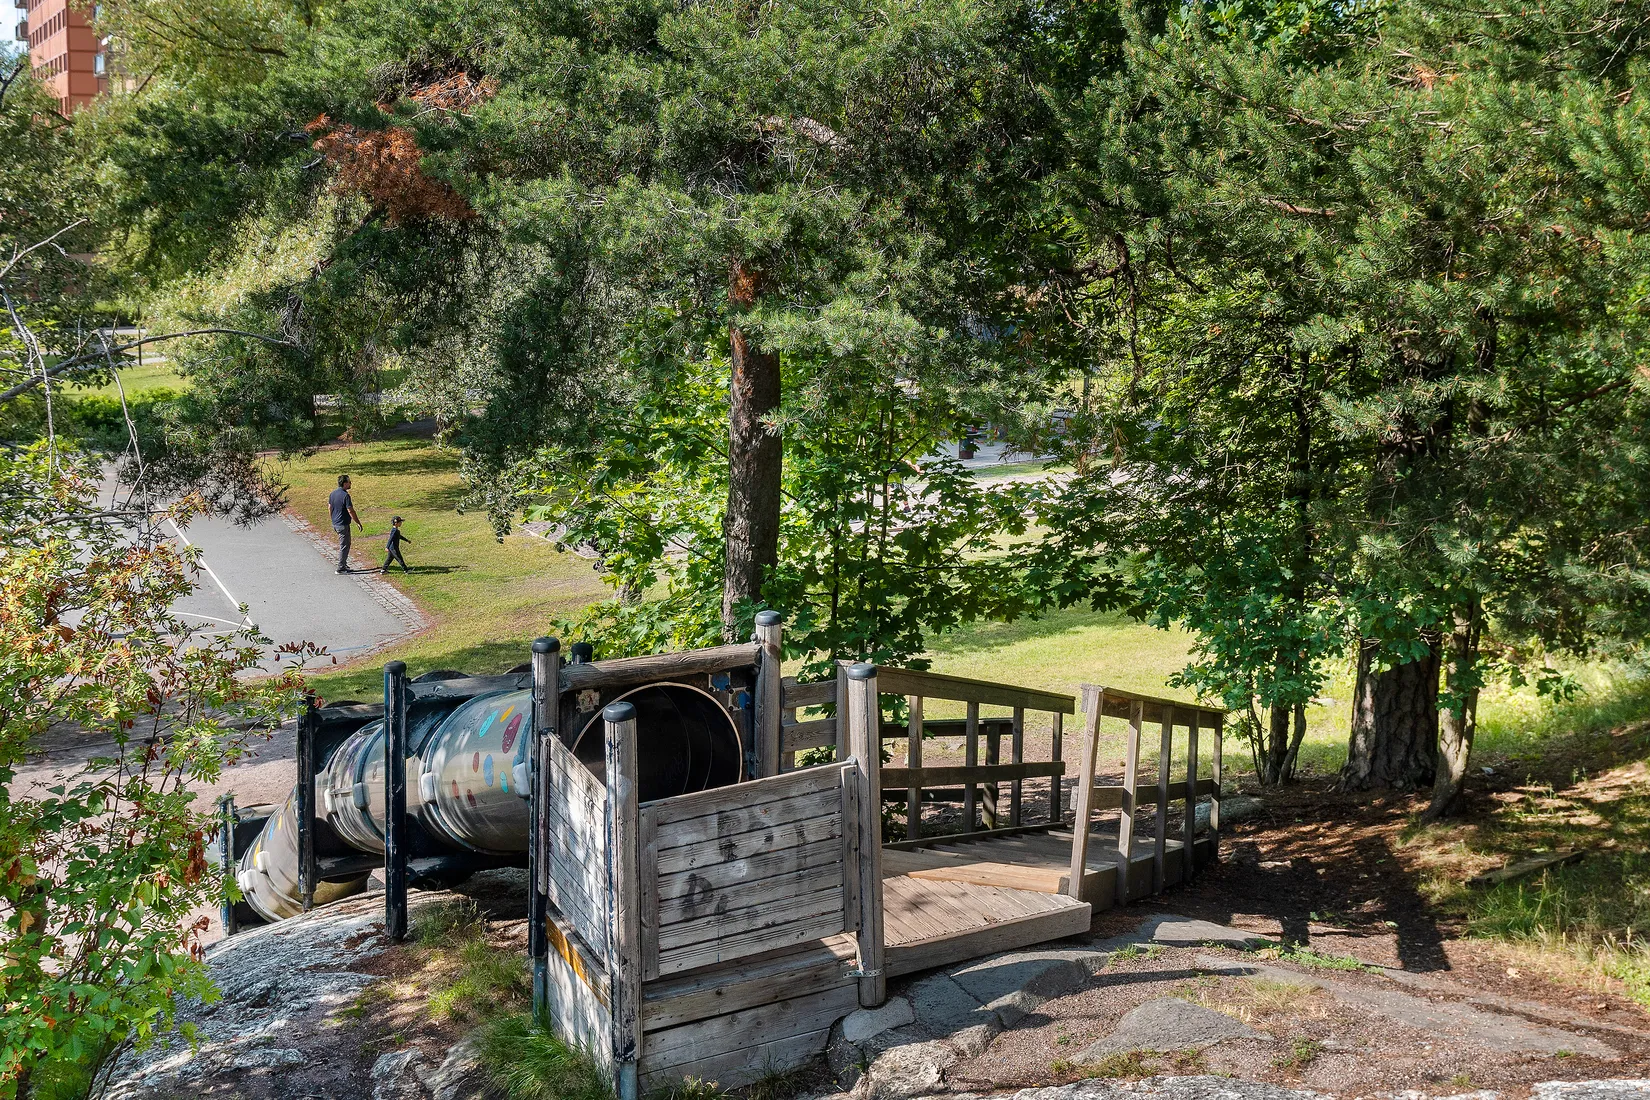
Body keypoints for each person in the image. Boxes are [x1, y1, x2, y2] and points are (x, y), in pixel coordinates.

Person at [329, 474, 363, 574]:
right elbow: (350, 510)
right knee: (344, 545)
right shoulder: (345, 495)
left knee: (345, 544)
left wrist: (333, 520)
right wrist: (358, 522)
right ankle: (341, 568)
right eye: (349, 482)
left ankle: (343, 563)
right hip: (343, 524)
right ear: (344, 484)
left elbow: (329, 508)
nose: (350, 483)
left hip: (336, 523)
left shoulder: (333, 494)